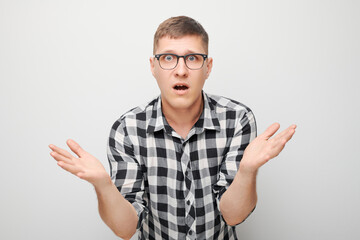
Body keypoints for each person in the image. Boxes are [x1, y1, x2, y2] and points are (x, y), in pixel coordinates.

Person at [49, 16, 296, 240]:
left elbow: (233, 216)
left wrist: (247, 171)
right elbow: (126, 229)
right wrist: (102, 184)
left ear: (208, 67)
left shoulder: (237, 119)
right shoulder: (127, 129)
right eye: (168, 58)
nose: (180, 71)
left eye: (192, 58)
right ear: (153, 67)